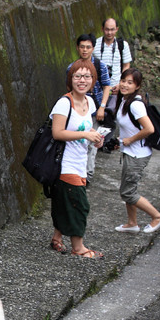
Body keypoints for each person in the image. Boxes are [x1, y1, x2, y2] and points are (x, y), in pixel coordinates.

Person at [49, 59, 105, 259]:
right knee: (79, 204)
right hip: (65, 163)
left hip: (81, 160)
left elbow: (83, 127)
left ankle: (57, 238)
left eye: (87, 76)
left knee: (65, 202)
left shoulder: (90, 102)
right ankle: (78, 247)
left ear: (93, 80)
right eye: (78, 76)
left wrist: (94, 137)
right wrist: (85, 135)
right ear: (70, 79)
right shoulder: (64, 103)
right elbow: (57, 133)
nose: (82, 80)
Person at [112, 68, 160, 234]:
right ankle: (132, 223)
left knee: (128, 192)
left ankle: (157, 217)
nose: (125, 85)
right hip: (130, 152)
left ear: (137, 86)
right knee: (129, 189)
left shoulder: (135, 104)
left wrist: (129, 140)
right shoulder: (125, 100)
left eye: (130, 83)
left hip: (137, 155)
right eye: (123, 81)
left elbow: (149, 128)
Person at [67, 34, 111, 183]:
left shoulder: (100, 66)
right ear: (78, 48)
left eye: (88, 47)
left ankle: (88, 175)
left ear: (93, 48)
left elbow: (106, 86)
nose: (85, 50)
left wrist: (102, 107)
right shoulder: (71, 68)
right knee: (79, 140)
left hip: (95, 109)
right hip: (78, 109)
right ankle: (79, 173)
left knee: (93, 143)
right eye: (82, 47)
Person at [94, 18, 132, 89]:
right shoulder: (94, 44)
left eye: (112, 29)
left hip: (116, 86)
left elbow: (126, 65)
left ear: (117, 29)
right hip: (98, 87)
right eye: (107, 29)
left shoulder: (123, 45)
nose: (109, 33)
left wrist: (121, 83)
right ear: (102, 29)